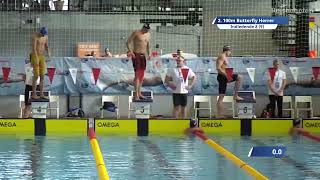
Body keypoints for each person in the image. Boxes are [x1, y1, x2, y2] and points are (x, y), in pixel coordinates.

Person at [216, 45, 243, 118]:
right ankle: (220, 115)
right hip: (222, 77)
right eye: (230, 51)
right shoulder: (222, 56)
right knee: (221, 97)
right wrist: (227, 76)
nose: (230, 53)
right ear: (227, 50)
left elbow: (223, 68)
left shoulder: (224, 57)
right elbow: (218, 69)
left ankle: (235, 95)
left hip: (224, 76)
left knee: (239, 78)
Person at [126, 23, 151, 100]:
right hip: (136, 55)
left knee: (142, 76)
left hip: (143, 56)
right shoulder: (136, 33)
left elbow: (148, 45)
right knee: (137, 75)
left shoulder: (148, 34)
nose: (147, 31)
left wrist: (149, 54)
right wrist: (131, 52)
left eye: (148, 30)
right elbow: (128, 42)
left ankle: (139, 93)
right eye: (146, 29)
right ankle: (136, 95)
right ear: (143, 28)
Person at [30, 27, 50, 99]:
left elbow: (46, 46)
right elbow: (34, 48)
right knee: (36, 76)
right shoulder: (35, 37)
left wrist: (49, 53)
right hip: (35, 56)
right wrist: (36, 58)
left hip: (42, 57)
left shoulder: (45, 37)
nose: (43, 35)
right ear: (40, 32)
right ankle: (34, 94)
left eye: (44, 34)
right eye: (42, 34)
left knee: (42, 76)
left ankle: (41, 94)